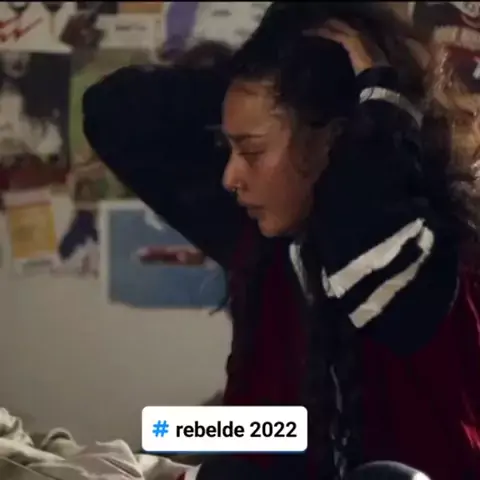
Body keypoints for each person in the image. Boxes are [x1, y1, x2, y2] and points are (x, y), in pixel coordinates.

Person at [82, 3, 480, 480]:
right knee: (164, 434)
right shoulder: (262, 238)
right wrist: (267, 74)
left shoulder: (433, 259)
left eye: (251, 150)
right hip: (273, 452)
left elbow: (396, 308)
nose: (230, 176)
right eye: (229, 148)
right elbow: (114, 110)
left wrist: (377, 95)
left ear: (335, 140)